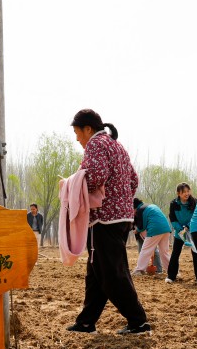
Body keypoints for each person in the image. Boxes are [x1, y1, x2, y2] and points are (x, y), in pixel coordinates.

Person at [64, 109, 150, 335]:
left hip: (104, 220)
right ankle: (86, 322)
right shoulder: (116, 145)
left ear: (88, 129)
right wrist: (120, 200)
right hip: (122, 218)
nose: (77, 139)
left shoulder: (95, 144)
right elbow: (133, 180)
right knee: (96, 272)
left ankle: (138, 321)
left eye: (77, 133)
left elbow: (96, 176)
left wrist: (72, 184)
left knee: (112, 273)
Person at [166, 182, 197, 284]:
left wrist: (188, 227)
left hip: (192, 231)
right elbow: (173, 218)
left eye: (188, 191)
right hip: (179, 232)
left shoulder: (195, 202)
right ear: (178, 193)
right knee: (175, 254)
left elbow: (196, 216)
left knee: (196, 254)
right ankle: (171, 276)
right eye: (184, 192)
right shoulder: (174, 204)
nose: (186, 193)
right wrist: (180, 230)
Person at [132, 198, 171, 275]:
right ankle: (172, 271)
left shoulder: (140, 210)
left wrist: (137, 230)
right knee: (164, 252)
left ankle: (139, 270)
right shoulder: (149, 206)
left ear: (134, 208)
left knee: (145, 250)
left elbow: (142, 226)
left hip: (154, 229)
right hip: (166, 229)